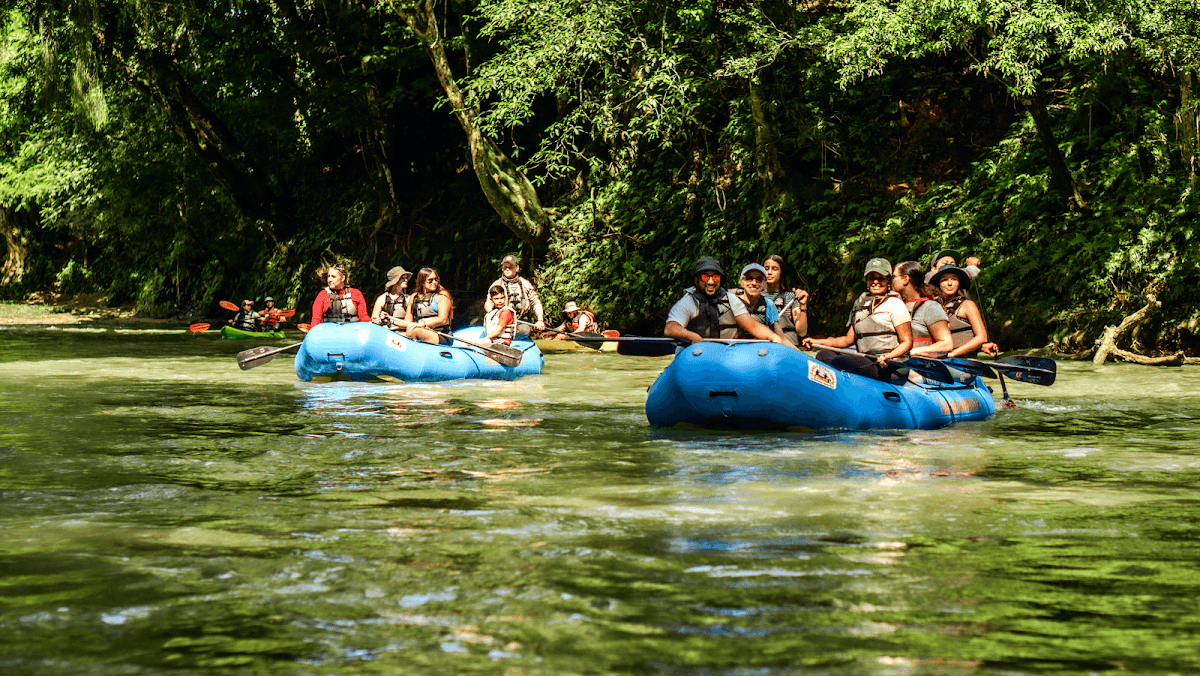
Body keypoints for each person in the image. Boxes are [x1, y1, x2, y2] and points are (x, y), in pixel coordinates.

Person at [802, 257, 913, 381]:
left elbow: (907, 342)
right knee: (823, 355)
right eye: (871, 278)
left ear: (888, 281)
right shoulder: (860, 304)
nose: (876, 281)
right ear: (866, 281)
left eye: (880, 278)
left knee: (841, 361)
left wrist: (889, 356)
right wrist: (817, 342)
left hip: (889, 366)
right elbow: (846, 341)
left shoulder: (895, 304)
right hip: (867, 361)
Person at [664, 256, 785, 345]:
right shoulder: (688, 302)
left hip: (724, 356)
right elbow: (670, 328)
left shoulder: (731, 299)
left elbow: (752, 326)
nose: (711, 282)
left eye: (715, 277)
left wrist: (774, 337)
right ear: (696, 280)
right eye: (705, 277)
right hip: (695, 354)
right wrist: (693, 337)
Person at [929, 265, 997, 358]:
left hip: (966, 360)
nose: (950, 283)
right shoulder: (933, 307)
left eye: (954, 279)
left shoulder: (967, 305)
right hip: (940, 359)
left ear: (959, 283)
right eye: (944, 280)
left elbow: (981, 337)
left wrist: (953, 354)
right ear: (938, 284)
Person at [892, 261, 953, 357]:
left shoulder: (930, 307)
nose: (892, 281)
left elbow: (947, 344)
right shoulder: (898, 306)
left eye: (894, 277)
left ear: (905, 279)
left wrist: (915, 351)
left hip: (925, 368)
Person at [485, 255, 545, 335]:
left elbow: (536, 302)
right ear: (502, 269)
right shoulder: (496, 285)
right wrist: (491, 314)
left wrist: (540, 320)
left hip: (522, 323)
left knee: (525, 330)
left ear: (517, 268)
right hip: (501, 322)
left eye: (510, 267)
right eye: (505, 267)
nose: (507, 269)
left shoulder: (525, 284)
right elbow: (489, 302)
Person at [762, 255, 809, 346]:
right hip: (764, 342)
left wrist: (803, 305)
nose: (769, 272)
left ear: (781, 273)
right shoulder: (756, 297)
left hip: (787, 344)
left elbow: (802, 332)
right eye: (766, 269)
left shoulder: (791, 297)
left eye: (774, 269)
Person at [731, 263, 782, 340]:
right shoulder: (732, 303)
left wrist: (797, 352)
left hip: (761, 349)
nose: (754, 283)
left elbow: (781, 337)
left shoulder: (768, 304)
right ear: (742, 282)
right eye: (749, 278)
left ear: (764, 284)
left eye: (759, 279)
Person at [404, 267, 454, 344]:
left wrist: (423, 324)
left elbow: (443, 319)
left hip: (441, 335)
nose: (434, 282)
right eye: (430, 280)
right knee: (405, 332)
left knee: (412, 332)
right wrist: (390, 321)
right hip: (422, 330)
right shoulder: (414, 297)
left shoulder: (442, 295)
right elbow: (407, 322)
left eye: (436, 279)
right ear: (422, 282)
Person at [372, 266, 412, 332]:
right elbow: (374, 319)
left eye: (406, 278)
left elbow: (409, 323)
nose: (406, 280)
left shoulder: (408, 299)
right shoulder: (382, 299)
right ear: (395, 281)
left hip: (402, 333)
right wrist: (378, 320)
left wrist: (391, 320)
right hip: (384, 331)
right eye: (402, 278)